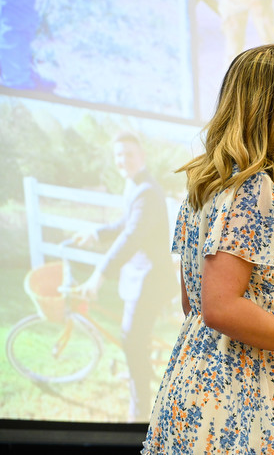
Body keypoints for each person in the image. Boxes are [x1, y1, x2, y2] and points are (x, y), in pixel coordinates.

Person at [142, 44, 274, 453]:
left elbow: (191, 302)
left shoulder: (206, 184)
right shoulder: (254, 186)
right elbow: (221, 307)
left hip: (199, 377)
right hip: (243, 391)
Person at [73, 131, 175, 422]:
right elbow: (124, 223)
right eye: (118, 155)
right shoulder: (133, 185)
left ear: (141, 157)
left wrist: (98, 275)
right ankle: (139, 377)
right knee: (136, 339)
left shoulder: (146, 191)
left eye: (128, 154)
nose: (122, 160)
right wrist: (96, 233)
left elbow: (131, 236)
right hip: (139, 275)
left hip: (151, 279)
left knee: (132, 339)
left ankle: (140, 410)